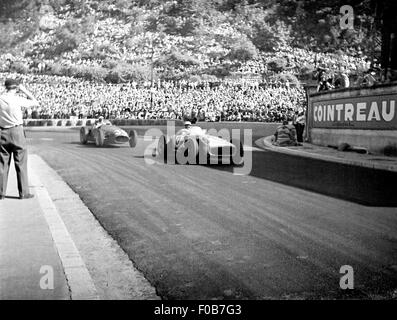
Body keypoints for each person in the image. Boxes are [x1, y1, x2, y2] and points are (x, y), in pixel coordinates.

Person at [0, 78, 39, 199]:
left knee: (2, 164)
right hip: (17, 131)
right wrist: (24, 90)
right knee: (21, 163)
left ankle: (1, 193)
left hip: (2, 131)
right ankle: (23, 192)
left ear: (5, 87)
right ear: (16, 88)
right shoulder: (17, 99)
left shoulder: (1, 98)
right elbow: (35, 102)